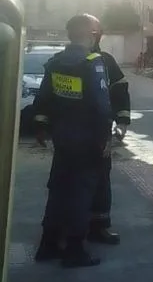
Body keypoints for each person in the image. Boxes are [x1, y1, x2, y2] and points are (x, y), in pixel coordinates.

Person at [31, 14, 115, 268]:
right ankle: (75, 250)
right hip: (87, 141)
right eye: (98, 31)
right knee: (81, 193)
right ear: (91, 34)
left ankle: (48, 244)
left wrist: (42, 127)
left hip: (63, 139)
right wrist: (105, 139)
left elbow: (44, 99)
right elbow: (102, 107)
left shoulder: (56, 62)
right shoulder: (93, 63)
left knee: (58, 190)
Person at [85, 28, 131, 245]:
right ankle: (65, 229)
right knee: (67, 183)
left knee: (100, 181)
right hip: (71, 135)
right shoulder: (64, 61)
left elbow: (120, 91)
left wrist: (121, 122)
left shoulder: (105, 61)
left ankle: (98, 226)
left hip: (98, 135)